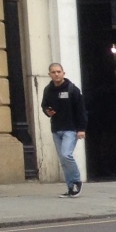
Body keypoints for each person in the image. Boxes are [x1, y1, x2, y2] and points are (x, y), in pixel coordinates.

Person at [42, 62, 88, 198]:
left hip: (71, 128)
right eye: (53, 72)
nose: (56, 74)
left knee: (66, 154)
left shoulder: (72, 89)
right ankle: (70, 187)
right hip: (56, 128)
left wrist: (81, 129)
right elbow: (44, 105)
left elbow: (81, 110)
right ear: (49, 74)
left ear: (63, 73)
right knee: (63, 159)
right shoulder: (48, 90)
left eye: (58, 72)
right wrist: (47, 111)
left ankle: (77, 181)